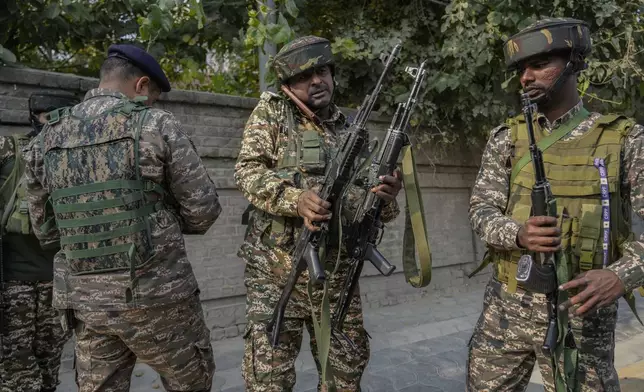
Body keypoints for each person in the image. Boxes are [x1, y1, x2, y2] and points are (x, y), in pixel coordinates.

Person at [22, 44, 221, 392]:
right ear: (141, 85)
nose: (153, 103)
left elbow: (45, 229)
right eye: (154, 96)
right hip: (159, 299)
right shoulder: (155, 124)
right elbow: (202, 210)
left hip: (87, 303)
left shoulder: (47, 136)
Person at [467, 17, 644, 391]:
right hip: (506, 310)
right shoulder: (506, 140)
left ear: (574, 63)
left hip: (582, 317)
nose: (526, 77)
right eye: (521, 69)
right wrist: (517, 233)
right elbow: (481, 211)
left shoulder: (624, 140)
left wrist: (620, 275)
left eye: (539, 64)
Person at [234, 35, 403, 391]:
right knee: (268, 378)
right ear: (287, 84)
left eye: (322, 71)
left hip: (337, 276)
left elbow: (375, 211)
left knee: (345, 374)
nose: (316, 81)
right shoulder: (273, 113)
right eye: (305, 76)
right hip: (277, 273)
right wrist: (295, 199)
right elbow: (247, 172)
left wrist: (386, 197)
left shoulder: (351, 129)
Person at [0, 92, 79, 392]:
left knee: (48, 366)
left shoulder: (79, 158)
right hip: (12, 283)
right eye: (47, 116)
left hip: (57, 284)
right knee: (16, 371)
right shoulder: (9, 149)